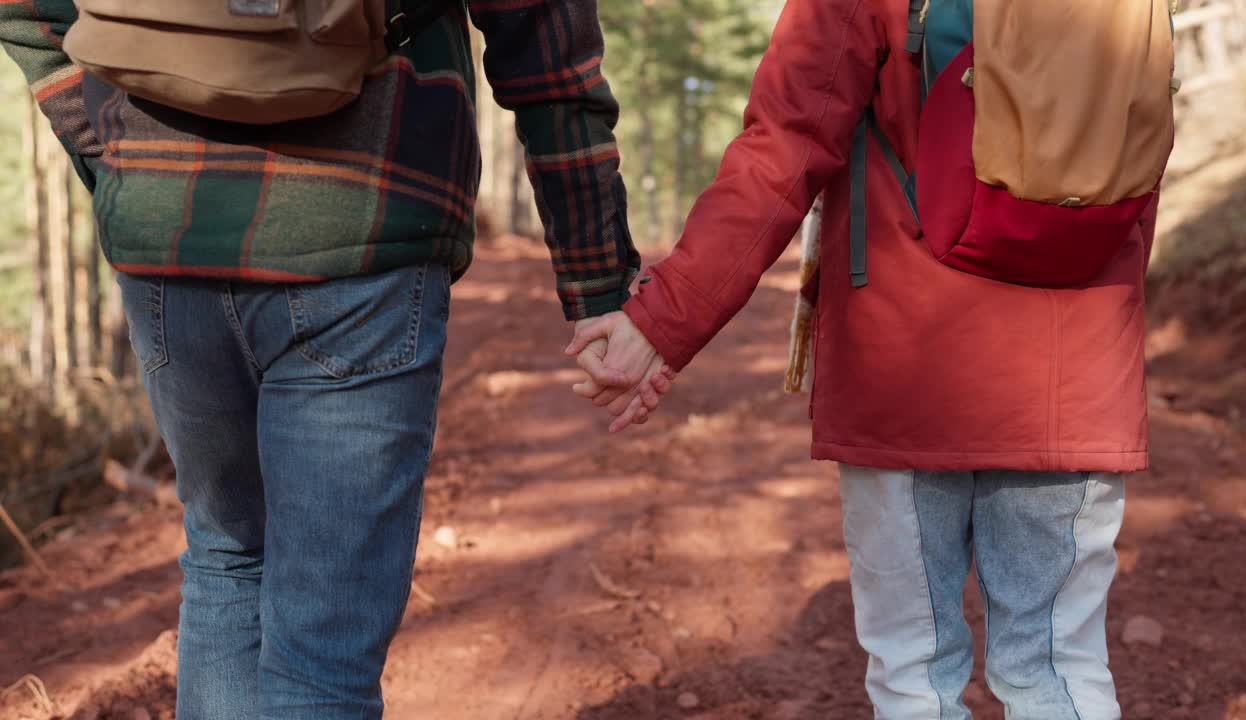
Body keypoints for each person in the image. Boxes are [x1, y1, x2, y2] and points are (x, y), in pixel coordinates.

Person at [1, 1, 640, 717]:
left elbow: (28, 10)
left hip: (167, 234)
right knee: (320, 656)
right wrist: (597, 283)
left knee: (225, 560)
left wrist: (120, 161)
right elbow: (547, 45)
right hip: (364, 227)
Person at [568, 0, 1171, 717]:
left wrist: (661, 323)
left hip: (905, 364)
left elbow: (782, 150)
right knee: (1057, 670)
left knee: (917, 677)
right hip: (1075, 367)